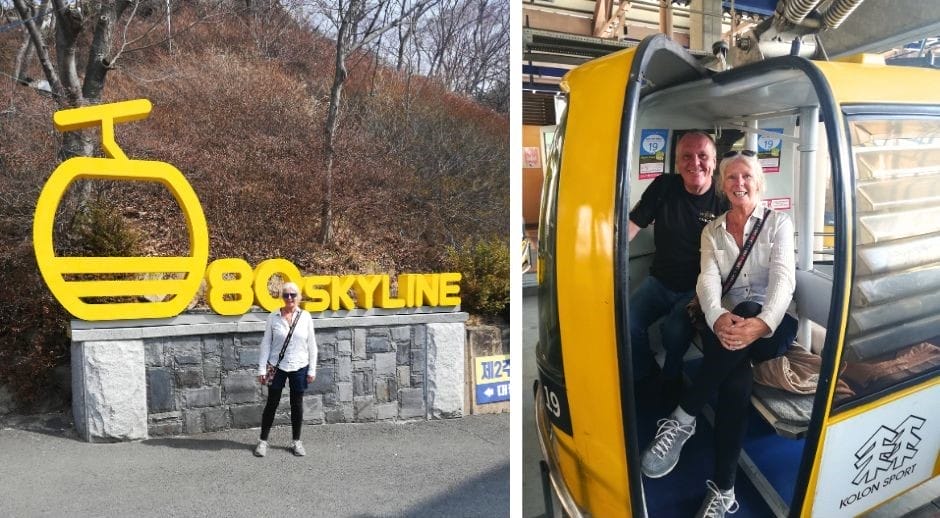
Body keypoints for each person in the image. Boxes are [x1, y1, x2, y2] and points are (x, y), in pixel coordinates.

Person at [639, 150, 797, 518]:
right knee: (734, 384)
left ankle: (683, 416)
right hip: (725, 323)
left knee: (748, 310)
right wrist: (716, 314)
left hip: (770, 329)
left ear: (758, 182)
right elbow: (707, 279)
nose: (739, 184)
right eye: (731, 178)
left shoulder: (779, 224)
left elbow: (783, 280)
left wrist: (761, 322)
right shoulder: (713, 230)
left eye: (746, 177)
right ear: (723, 185)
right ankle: (724, 490)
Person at [628, 131, 729, 397]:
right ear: (677, 163)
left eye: (703, 156)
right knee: (627, 324)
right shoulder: (663, 186)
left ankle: (671, 375)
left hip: (697, 290)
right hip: (659, 281)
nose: (695, 163)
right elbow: (632, 226)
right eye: (686, 156)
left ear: (714, 162)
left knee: (674, 332)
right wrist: (601, 256)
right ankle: (646, 374)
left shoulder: (723, 198)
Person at [254, 281, 318, 457]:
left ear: (299, 297)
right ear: (282, 297)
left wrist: (312, 369)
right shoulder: (273, 317)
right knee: (271, 404)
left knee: (296, 405)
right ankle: (262, 442)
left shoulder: (305, 317)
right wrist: (262, 369)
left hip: (300, 366)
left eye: (293, 295)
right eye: (286, 295)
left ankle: (297, 442)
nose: (289, 298)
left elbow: (312, 345)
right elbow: (265, 344)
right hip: (277, 366)